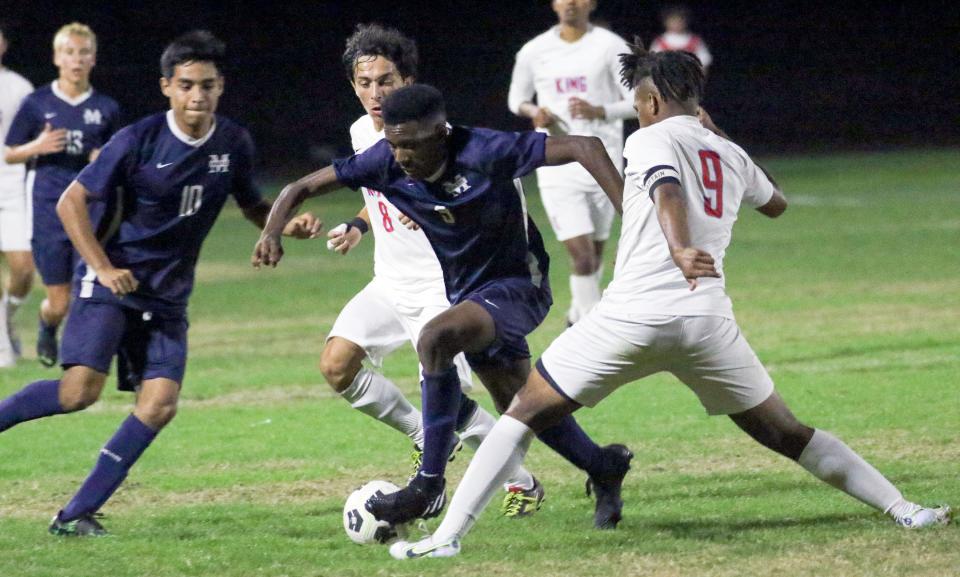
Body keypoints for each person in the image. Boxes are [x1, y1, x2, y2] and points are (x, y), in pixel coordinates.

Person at [390, 43, 951, 560]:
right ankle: (907, 510)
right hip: (706, 323)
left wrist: (679, 246)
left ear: (652, 99)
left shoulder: (648, 138)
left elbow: (666, 189)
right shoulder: (726, 152)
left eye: (638, 102)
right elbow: (775, 202)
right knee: (786, 432)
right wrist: (720, 136)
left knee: (521, 415)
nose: (637, 112)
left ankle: (446, 539)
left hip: (633, 317)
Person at [253, 83, 631, 527]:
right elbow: (300, 187)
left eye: (412, 145)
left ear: (440, 132)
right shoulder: (386, 160)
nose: (402, 157)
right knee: (518, 400)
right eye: (394, 145)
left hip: (517, 284)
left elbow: (585, 146)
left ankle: (427, 483)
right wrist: (271, 232)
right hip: (468, 291)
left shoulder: (485, 150)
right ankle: (602, 466)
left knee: (436, 339)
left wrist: (633, 211)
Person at [0, 30, 320, 536]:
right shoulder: (138, 139)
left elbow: (252, 204)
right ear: (167, 87)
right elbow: (71, 203)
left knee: (159, 405)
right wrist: (102, 267)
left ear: (221, 87)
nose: (198, 96)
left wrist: (284, 226)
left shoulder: (233, 142)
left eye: (208, 86)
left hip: (168, 295)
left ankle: (75, 514)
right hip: (112, 284)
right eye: (187, 85)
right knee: (77, 393)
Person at [324, 23, 544, 517]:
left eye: (386, 81)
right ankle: (427, 437)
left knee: (493, 395)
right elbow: (374, 193)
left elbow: (471, 199)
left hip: (443, 286)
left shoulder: (433, 138)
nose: (375, 94)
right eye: (365, 83)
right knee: (337, 365)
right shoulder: (362, 133)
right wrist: (358, 225)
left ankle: (518, 482)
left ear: (409, 81)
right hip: (389, 281)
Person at [508, 0, 634, 326]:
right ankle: (595, 332)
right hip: (555, 163)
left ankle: (578, 317)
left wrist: (600, 110)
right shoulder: (534, 50)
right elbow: (516, 99)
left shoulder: (610, 46)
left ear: (591, 3)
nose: (571, 3)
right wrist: (535, 112)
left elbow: (638, 100)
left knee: (594, 257)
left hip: (602, 163)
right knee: (581, 256)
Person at [4, 22, 121, 368]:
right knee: (60, 301)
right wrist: (36, 146)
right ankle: (46, 324)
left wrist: (105, 160)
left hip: (90, 210)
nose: (76, 59)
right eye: (69, 52)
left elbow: (118, 157)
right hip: (47, 208)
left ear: (93, 59)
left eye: (83, 52)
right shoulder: (37, 103)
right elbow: (10, 152)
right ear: (57, 57)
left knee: (91, 288)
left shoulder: (106, 108)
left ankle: (82, 358)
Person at [0, 23, 35, 367]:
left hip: (12, 187)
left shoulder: (19, 87)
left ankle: (8, 317)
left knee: (23, 269)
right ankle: (2, 348)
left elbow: (31, 139)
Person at [649, 5, 712, 74]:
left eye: (679, 21)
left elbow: (704, 62)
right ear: (665, 22)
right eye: (673, 21)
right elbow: (652, 63)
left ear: (686, 21)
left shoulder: (696, 41)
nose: (676, 24)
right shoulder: (660, 42)